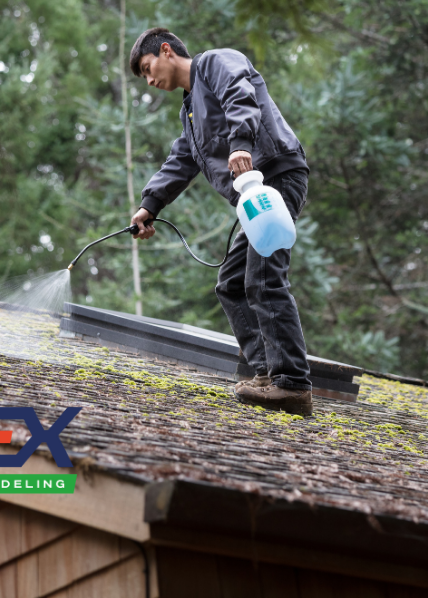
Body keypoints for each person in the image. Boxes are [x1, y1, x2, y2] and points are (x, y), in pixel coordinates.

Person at [128, 28, 314, 416]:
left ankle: (292, 383)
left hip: (274, 177)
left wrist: (241, 145)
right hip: (253, 198)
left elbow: (239, 95)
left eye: (148, 69)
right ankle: (267, 374)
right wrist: (150, 205)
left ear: (166, 50)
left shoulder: (214, 62)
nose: (150, 81)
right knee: (231, 283)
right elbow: (181, 160)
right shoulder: (190, 112)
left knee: (263, 277)